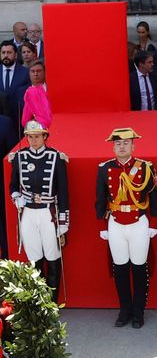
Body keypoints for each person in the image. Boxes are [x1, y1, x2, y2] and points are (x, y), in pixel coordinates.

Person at [95, 127, 157, 328]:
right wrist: (101, 224)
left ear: (133, 145)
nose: (121, 147)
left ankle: (138, 311)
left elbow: (155, 196)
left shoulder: (146, 167)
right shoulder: (104, 168)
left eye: (125, 143)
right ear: (113, 147)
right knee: (120, 269)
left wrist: (154, 223)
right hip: (115, 223)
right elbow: (100, 198)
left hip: (139, 221)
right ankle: (124, 310)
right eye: (117, 143)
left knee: (140, 268)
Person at [7, 119, 68, 301]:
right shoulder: (19, 157)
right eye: (30, 137)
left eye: (37, 136)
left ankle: (52, 303)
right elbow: (13, 185)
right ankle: (38, 302)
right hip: (28, 213)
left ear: (44, 137)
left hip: (48, 212)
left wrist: (63, 221)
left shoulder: (56, 157)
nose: (33, 140)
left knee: (52, 256)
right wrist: (17, 197)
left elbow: (63, 191)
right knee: (34, 258)